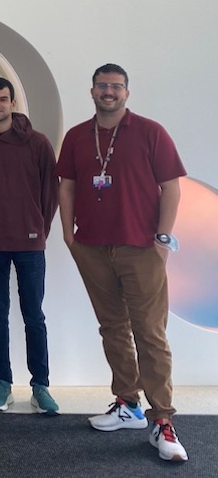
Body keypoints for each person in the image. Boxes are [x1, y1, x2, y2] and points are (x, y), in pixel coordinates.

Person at [56, 63, 188, 462]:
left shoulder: (150, 132)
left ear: (127, 93)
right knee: (112, 327)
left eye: (116, 87)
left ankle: (162, 420)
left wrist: (163, 237)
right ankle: (127, 404)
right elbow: (67, 185)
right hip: (92, 246)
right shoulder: (78, 136)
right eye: (102, 86)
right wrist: (67, 234)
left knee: (149, 332)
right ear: (92, 91)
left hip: (141, 247)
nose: (108, 92)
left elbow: (171, 187)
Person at [0, 77, 60, 415]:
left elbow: (50, 193)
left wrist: (38, 228)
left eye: (3, 99)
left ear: (13, 102)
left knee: (34, 315)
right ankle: (3, 383)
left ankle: (40, 385)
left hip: (31, 243)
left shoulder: (38, 144)